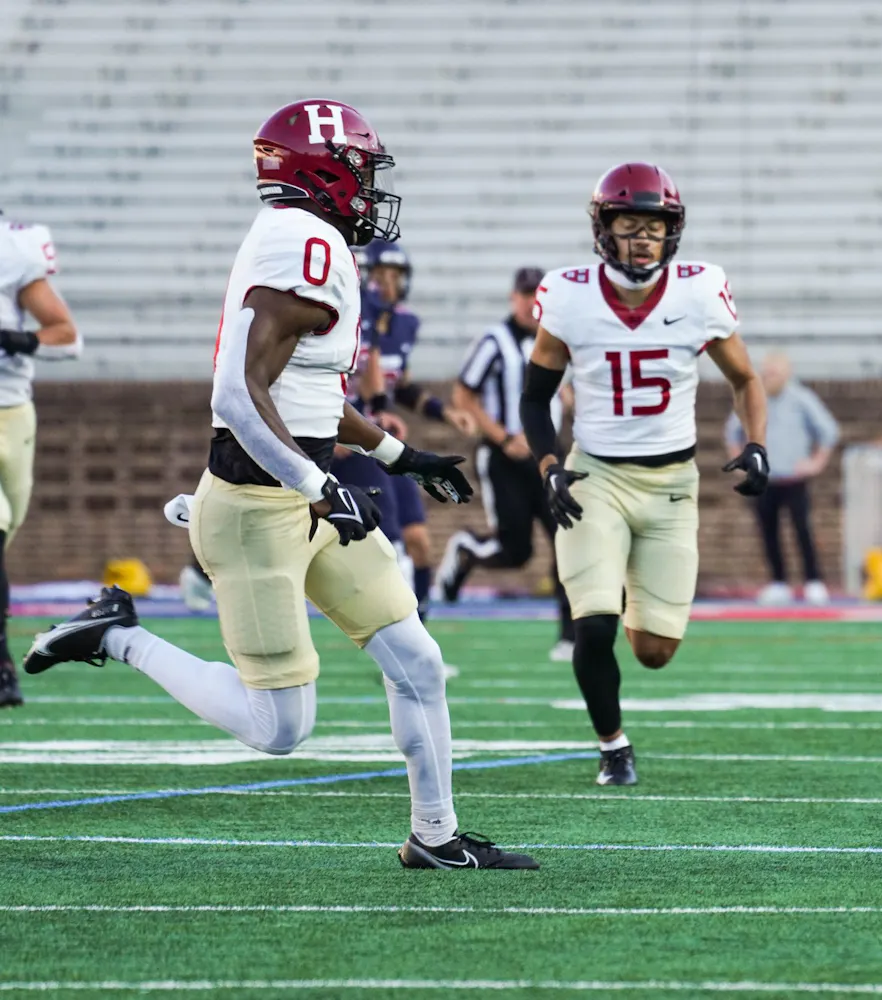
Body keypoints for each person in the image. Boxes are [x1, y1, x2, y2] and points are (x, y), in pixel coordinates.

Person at [22, 100, 537, 870]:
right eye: (359, 171)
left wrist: (402, 458)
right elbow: (236, 392)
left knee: (418, 661)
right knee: (279, 728)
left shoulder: (308, 240)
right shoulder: (304, 241)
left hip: (301, 500)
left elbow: (314, 394)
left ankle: (435, 835)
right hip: (258, 510)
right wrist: (319, 485)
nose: (367, 188)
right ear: (321, 171)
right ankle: (116, 634)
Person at [521, 162, 769, 785]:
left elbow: (745, 378)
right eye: (629, 225)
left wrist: (757, 441)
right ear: (603, 230)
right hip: (595, 478)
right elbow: (534, 397)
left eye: (654, 227)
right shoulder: (569, 293)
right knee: (594, 624)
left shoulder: (700, 289)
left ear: (673, 232)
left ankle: (621, 574)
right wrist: (549, 463)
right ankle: (613, 746)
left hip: (671, 486)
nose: (643, 238)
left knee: (654, 653)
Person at [440, 266, 574, 662]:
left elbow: (562, 386)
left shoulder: (558, 337)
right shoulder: (494, 341)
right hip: (505, 458)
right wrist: (500, 436)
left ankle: (569, 635)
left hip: (549, 456)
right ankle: (467, 548)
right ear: (514, 297)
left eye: (538, 295)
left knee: (567, 541)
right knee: (516, 552)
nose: (532, 302)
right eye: (525, 294)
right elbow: (464, 394)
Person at [359, 239, 478, 621]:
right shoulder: (351, 318)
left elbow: (401, 387)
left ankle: (419, 639)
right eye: (381, 275)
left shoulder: (405, 323)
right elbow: (364, 378)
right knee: (388, 544)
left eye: (395, 276)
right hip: (348, 439)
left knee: (419, 543)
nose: (389, 284)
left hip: (380, 436)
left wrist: (447, 413)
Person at [0, 211, 81, 707]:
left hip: (12, 413)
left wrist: (17, 339)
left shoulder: (13, 249)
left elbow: (66, 336)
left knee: (7, 528)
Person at [724, 352, 840, 605]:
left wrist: (815, 463)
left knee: (802, 531)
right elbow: (732, 433)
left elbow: (828, 431)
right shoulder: (752, 398)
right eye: (766, 373)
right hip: (765, 479)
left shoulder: (802, 399)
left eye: (774, 373)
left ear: (787, 373)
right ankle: (778, 581)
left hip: (793, 479)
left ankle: (813, 580)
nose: (769, 378)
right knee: (768, 532)